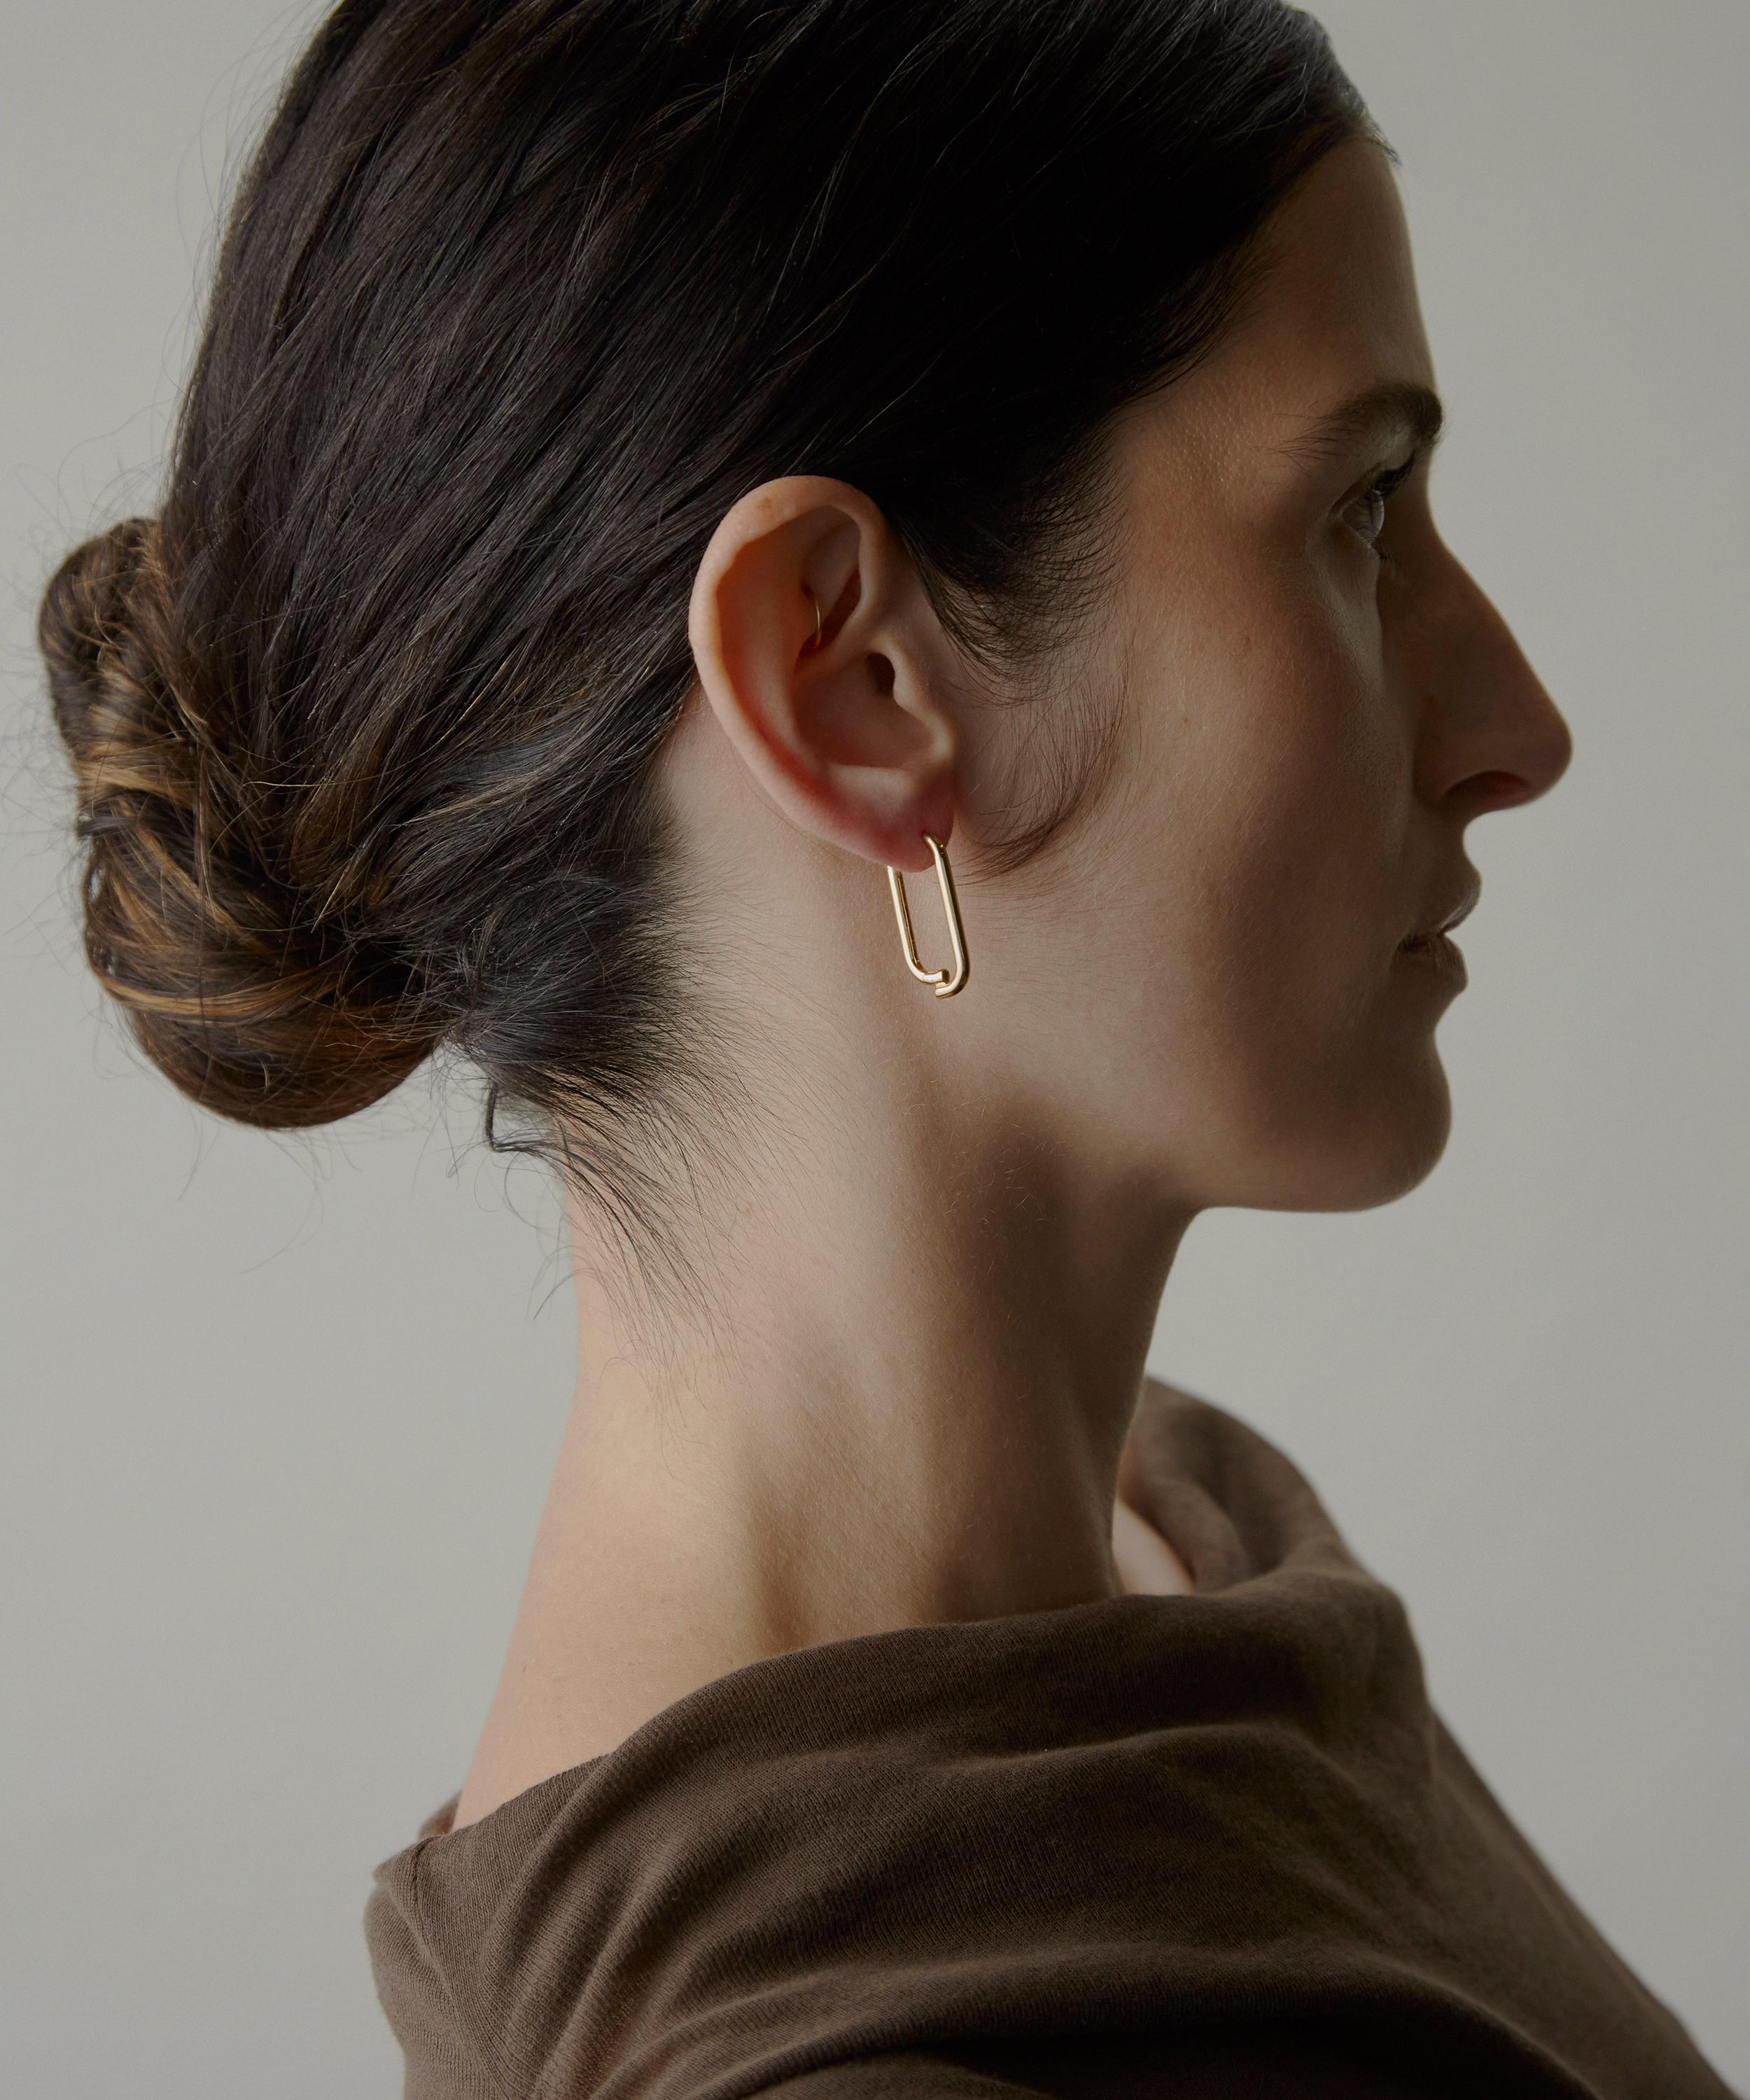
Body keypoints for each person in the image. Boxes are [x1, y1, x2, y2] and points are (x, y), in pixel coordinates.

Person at [37, 2, 1737, 2095]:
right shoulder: (865, 2041)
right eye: (1361, 510)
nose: (1516, 730)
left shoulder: (1167, 1544)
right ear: (847, 681)